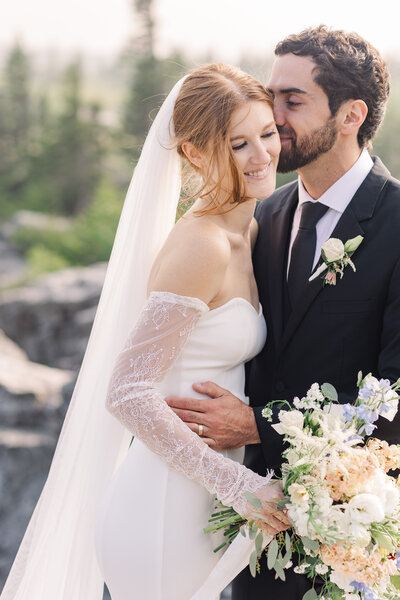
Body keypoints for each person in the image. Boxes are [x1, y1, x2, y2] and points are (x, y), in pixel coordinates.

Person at [1, 64, 288, 600]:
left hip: (204, 502)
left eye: (267, 134)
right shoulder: (201, 244)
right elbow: (128, 391)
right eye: (238, 144)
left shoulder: (250, 228)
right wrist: (239, 486)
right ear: (195, 154)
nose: (262, 155)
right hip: (162, 510)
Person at [166, 26, 400, 599]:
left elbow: (396, 397)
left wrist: (259, 426)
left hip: (350, 532)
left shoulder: (398, 223)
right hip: (252, 529)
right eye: (273, 96)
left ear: (351, 116)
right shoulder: (264, 216)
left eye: (293, 101)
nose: (272, 117)